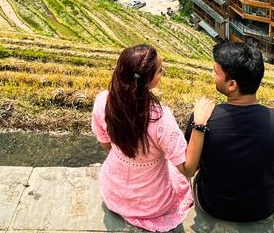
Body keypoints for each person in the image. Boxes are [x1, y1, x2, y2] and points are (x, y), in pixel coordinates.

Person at [92, 44, 215, 232]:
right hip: (151, 204)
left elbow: (106, 146)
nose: (163, 72)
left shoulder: (103, 101)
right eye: (159, 71)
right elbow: (188, 169)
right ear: (148, 81)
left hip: (113, 192)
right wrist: (199, 125)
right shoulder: (161, 119)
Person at [185, 42, 274, 223]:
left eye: (215, 72)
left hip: (211, 205)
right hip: (263, 209)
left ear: (231, 84)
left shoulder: (202, 118)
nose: (213, 76)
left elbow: (192, 165)